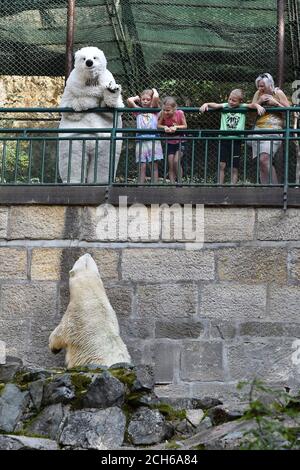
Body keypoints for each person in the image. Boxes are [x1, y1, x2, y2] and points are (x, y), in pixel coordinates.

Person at [200, 89, 265, 184]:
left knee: (234, 167)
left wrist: (258, 106)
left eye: (234, 100)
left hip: (236, 140)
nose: (230, 102)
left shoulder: (242, 107)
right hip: (224, 139)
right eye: (229, 99)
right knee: (221, 164)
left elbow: (252, 105)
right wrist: (206, 104)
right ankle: (219, 186)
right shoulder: (225, 106)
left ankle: (232, 187)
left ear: (240, 101)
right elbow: (215, 105)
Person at [250, 73, 290, 184]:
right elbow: (251, 113)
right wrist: (259, 102)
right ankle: (265, 191)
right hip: (258, 130)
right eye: (258, 85)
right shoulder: (258, 94)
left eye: (262, 86)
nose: (260, 88)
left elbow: (288, 111)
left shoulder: (278, 93)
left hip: (274, 130)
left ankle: (275, 189)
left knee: (264, 159)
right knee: (262, 163)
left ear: (270, 84)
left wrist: (275, 103)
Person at [127, 88, 163, 183]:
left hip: (153, 140)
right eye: (143, 99)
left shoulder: (154, 110)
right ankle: (140, 187)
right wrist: (136, 98)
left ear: (151, 100)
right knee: (142, 166)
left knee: (153, 165)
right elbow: (129, 101)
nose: (145, 101)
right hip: (141, 140)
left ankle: (154, 186)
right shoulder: (138, 111)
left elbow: (156, 97)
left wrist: (154, 90)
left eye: (148, 99)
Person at [157, 97, 187, 183]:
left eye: (168, 110)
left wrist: (176, 127)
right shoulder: (163, 114)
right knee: (170, 164)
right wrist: (165, 127)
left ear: (174, 109)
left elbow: (185, 126)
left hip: (181, 141)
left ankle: (180, 183)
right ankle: (172, 185)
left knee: (176, 161)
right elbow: (158, 125)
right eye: (164, 110)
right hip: (170, 142)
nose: (166, 112)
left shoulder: (180, 113)